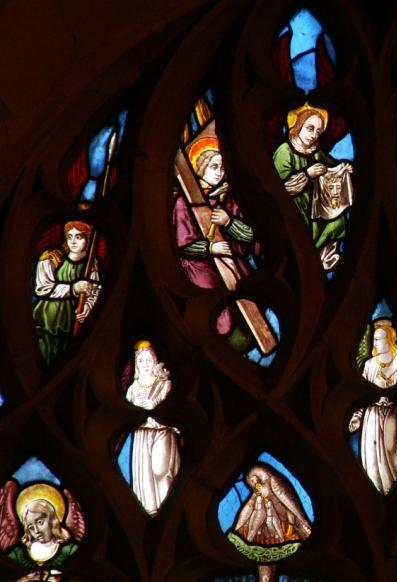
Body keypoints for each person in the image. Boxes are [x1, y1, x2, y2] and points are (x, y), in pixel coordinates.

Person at [172, 136, 259, 350]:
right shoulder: (183, 204)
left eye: (221, 167)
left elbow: (249, 236)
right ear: (200, 169)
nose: (219, 172)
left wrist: (229, 222)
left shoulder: (229, 198)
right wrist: (210, 248)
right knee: (217, 308)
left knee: (249, 291)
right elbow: (183, 246)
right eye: (213, 167)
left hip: (230, 258)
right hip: (198, 265)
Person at [272, 104, 353, 270]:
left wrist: (344, 167)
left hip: (315, 209)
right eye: (310, 128)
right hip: (294, 209)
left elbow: (331, 167)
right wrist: (307, 174)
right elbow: (279, 189)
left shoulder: (316, 152)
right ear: (298, 125)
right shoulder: (284, 151)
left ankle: (325, 256)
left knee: (336, 218)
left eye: (318, 131)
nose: (314, 135)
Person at [350, 320, 397, 494]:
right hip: (372, 417)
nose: (375, 342)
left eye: (379, 339)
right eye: (374, 339)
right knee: (372, 461)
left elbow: (389, 387)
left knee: (395, 452)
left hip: (393, 413)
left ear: (390, 340)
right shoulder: (370, 365)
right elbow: (362, 393)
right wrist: (357, 417)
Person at [33, 221, 101, 367]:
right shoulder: (51, 258)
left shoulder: (91, 265)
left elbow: (94, 292)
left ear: (87, 240)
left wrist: (88, 307)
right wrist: (73, 288)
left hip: (70, 322)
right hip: (47, 321)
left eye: (78, 237)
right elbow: (42, 288)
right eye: (69, 237)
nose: (73, 241)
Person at [124, 341, 180, 515]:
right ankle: (154, 511)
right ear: (136, 365)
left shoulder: (164, 384)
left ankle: (167, 509)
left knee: (161, 471)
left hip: (162, 431)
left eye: (149, 359)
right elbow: (127, 413)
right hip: (142, 435)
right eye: (141, 361)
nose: (145, 364)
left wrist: (153, 404)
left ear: (155, 361)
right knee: (145, 475)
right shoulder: (132, 389)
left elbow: (170, 408)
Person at [233, 463, 312, 545]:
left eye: (254, 480)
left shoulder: (273, 481)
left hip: (293, 519)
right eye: (252, 481)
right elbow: (249, 506)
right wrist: (237, 528)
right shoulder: (258, 491)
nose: (255, 483)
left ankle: (288, 535)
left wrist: (303, 521)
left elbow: (289, 504)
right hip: (278, 522)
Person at [8, 487, 78, 569]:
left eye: (40, 522)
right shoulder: (18, 554)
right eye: (31, 528)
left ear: (51, 521)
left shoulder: (69, 550)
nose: (36, 531)